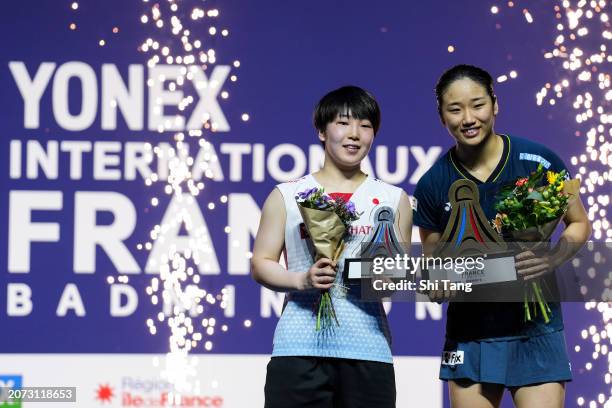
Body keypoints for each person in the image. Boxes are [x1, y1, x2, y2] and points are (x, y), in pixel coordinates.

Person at [412, 64, 591, 408]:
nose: (468, 118)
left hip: (537, 329)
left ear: (495, 105)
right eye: (455, 109)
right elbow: (434, 261)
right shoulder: (434, 183)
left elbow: (579, 223)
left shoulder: (539, 161)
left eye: (477, 104)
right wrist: (437, 284)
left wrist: (552, 258)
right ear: (441, 117)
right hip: (470, 336)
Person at [251, 85, 412, 408]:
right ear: (322, 131)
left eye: (365, 126)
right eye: (343, 123)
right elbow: (261, 263)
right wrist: (301, 280)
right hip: (298, 349)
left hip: (368, 349)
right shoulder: (288, 195)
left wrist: (380, 278)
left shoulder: (394, 199)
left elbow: (398, 273)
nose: (354, 134)